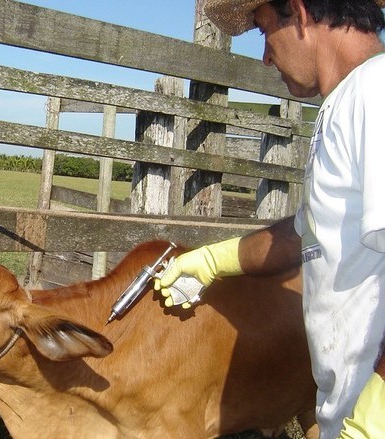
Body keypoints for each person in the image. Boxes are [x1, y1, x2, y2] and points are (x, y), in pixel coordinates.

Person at [154, 0, 385, 438]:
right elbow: (304, 234)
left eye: (263, 32)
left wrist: (376, 414)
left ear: (297, 12)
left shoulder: (376, 93)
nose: (265, 57)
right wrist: (210, 261)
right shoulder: (346, 102)